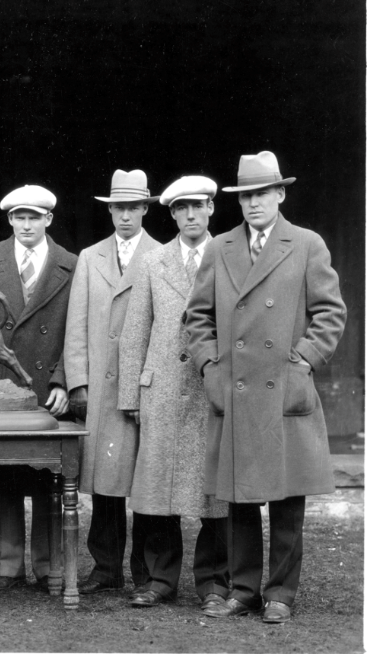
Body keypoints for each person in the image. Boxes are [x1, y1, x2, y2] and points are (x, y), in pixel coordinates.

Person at [185, 151, 346, 624]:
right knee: (239, 497)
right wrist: (210, 367)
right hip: (233, 389)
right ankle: (244, 589)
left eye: (262, 193)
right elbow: (197, 318)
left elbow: (330, 314)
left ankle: (281, 593)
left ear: (280, 194)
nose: (254, 203)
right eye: (246, 195)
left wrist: (303, 362)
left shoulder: (307, 243)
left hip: (283, 388)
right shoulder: (221, 248)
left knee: (286, 499)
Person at [117, 176, 229, 609]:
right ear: (172, 214)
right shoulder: (153, 260)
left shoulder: (228, 257)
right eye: (181, 208)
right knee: (157, 490)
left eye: (197, 206)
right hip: (160, 387)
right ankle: (158, 581)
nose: (190, 215)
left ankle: (214, 584)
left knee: (213, 495)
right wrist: (131, 394)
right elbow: (135, 331)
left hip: (210, 390)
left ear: (211, 209)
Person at [0, 185, 75, 591]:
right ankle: (7, 566)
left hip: (46, 387)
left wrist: (64, 381)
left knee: (47, 478)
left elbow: (76, 331)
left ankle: (48, 567)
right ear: (9, 219)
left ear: (49, 220)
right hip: (0, 386)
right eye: (18, 217)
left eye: (34, 217)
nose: (26, 224)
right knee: (5, 475)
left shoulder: (70, 264)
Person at [63, 169, 160, 595]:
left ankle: (146, 569)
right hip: (101, 389)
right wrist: (78, 382)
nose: (125, 215)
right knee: (104, 481)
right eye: (118, 207)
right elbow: (76, 324)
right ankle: (105, 567)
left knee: (144, 480)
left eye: (133, 207)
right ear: (110, 210)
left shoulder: (161, 255)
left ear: (144, 208)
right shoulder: (90, 256)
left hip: (141, 385)